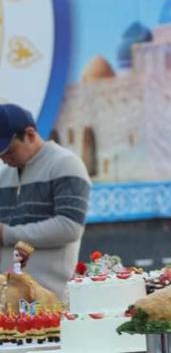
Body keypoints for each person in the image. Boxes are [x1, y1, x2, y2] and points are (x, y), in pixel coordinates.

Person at [0, 103, 91, 300]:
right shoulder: (4, 176)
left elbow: (69, 227)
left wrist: (7, 234)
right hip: (8, 301)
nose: (4, 158)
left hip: (49, 301)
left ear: (30, 135)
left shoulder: (66, 165)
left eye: (9, 150)